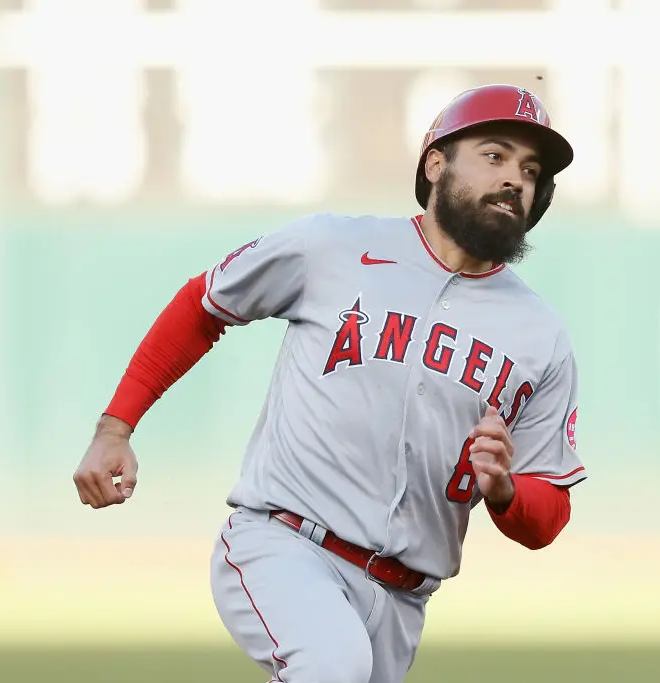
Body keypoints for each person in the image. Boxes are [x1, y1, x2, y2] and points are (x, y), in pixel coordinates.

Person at [73, 83, 587, 683]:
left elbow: (548, 512)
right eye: (495, 156)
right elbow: (204, 305)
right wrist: (116, 428)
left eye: (530, 170)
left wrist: (504, 491)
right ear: (435, 162)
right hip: (286, 544)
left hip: (401, 601)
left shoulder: (540, 335)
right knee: (330, 666)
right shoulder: (335, 247)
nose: (514, 180)